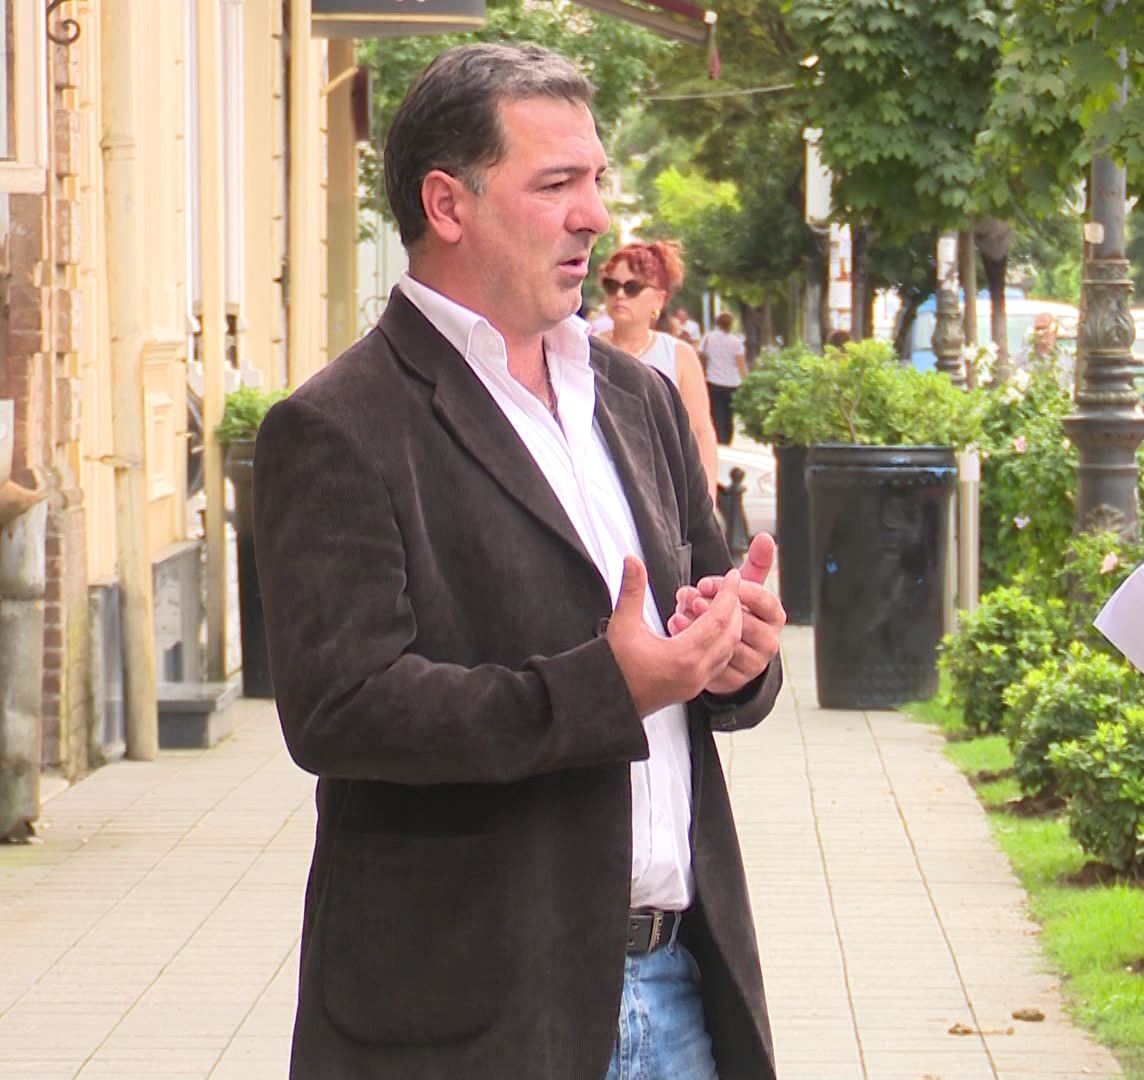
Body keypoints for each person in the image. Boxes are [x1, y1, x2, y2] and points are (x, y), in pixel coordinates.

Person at [250, 43, 786, 1080]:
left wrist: (737, 654)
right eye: (556, 185)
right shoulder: (337, 427)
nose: (596, 216)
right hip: (473, 1017)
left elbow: (702, 636)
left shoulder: (635, 397)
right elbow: (339, 710)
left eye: (597, 180)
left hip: (682, 991)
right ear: (447, 204)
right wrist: (606, 688)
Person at [598, 240, 721, 493]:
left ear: (659, 299)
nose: (619, 294)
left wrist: (708, 499)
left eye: (632, 288)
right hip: (602, 491)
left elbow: (701, 432)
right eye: (611, 285)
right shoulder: (584, 349)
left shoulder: (679, 356)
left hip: (665, 491)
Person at [698, 312, 748, 445]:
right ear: (730, 325)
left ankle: (717, 438)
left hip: (713, 380)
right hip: (732, 382)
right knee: (728, 414)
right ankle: (727, 439)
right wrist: (746, 380)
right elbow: (741, 364)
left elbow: (700, 354)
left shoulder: (708, 338)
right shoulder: (736, 342)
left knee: (716, 412)